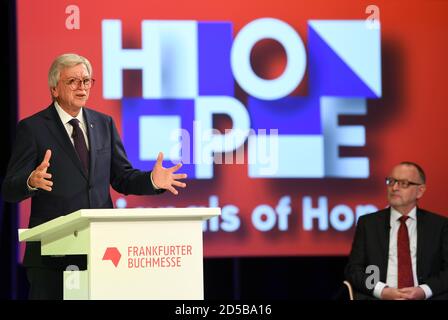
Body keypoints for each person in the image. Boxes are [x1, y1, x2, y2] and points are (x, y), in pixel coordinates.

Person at [1, 53, 188, 300]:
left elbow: (122, 177)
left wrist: (152, 181)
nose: (82, 87)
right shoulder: (33, 128)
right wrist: (29, 181)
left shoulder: (104, 123)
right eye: (73, 81)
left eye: (87, 80)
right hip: (51, 256)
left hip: (98, 251)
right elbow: (9, 189)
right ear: (54, 89)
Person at [345, 162, 448, 300]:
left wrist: (423, 291)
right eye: (391, 181)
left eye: (404, 183)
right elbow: (355, 271)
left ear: (420, 190)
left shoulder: (439, 225)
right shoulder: (368, 224)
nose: (394, 188)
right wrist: (381, 291)